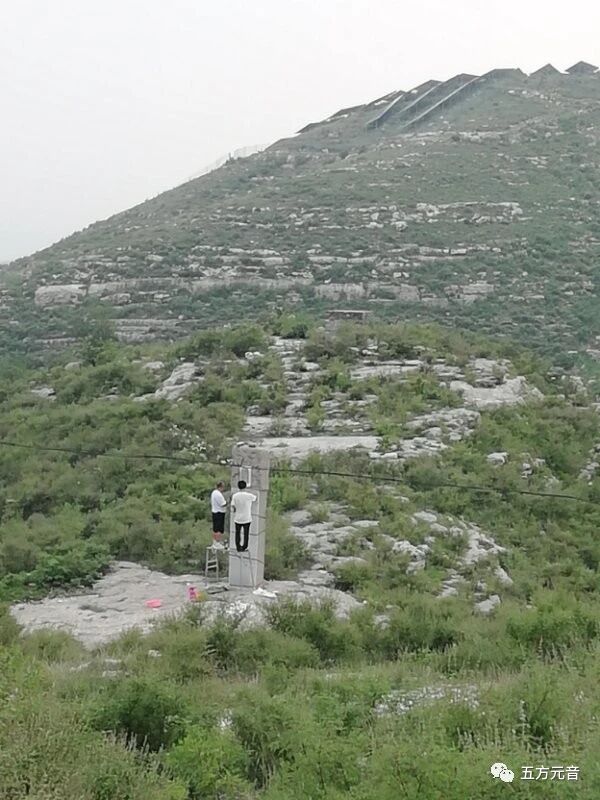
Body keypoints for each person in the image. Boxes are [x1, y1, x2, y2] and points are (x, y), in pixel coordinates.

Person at [230, 480, 257, 552]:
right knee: (246, 533)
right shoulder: (249, 495)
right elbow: (255, 498)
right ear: (245, 486)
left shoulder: (235, 496)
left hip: (238, 518)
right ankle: (244, 546)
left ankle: (238, 547)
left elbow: (233, 506)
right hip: (247, 517)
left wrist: (235, 510)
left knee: (237, 533)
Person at [210, 481, 227, 547]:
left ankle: (214, 542)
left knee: (215, 528)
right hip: (219, 512)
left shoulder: (214, 492)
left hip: (214, 511)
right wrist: (228, 502)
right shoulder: (218, 494)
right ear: (221, 487)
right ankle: (217, 542)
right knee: (219, 528)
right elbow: (223, 504)